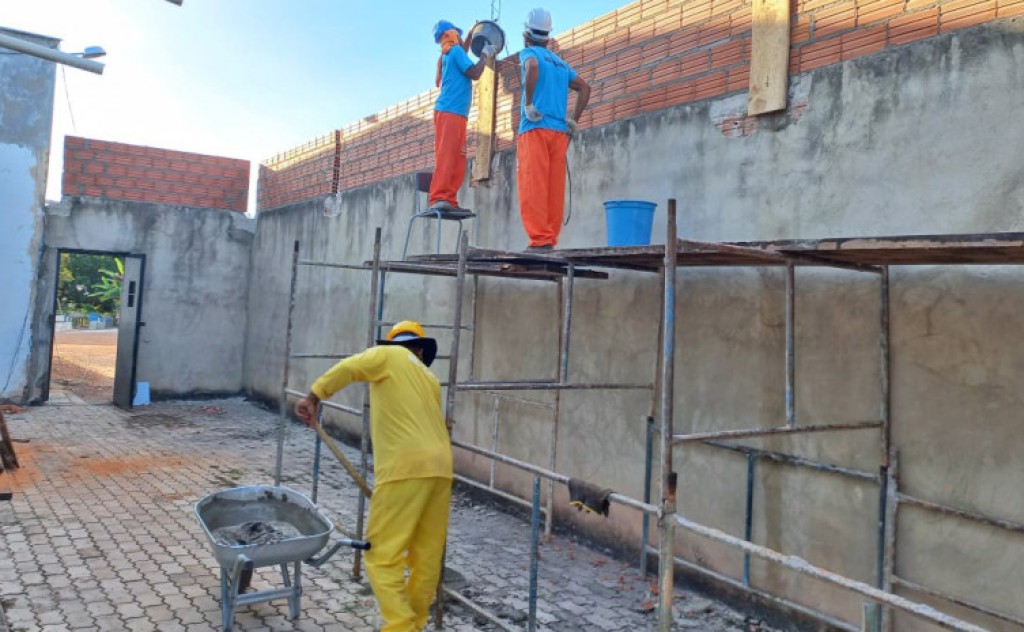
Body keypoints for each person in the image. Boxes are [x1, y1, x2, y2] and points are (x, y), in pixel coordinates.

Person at [294, 320, 452, 632]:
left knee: (381, 555)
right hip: (441, 469)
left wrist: (313, 396)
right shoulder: (430, 378)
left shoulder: (388, 355)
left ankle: (402, 626)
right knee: (426, 557)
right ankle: (415, 624)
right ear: (420, 349)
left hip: (404, 468)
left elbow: (350, 367)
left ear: (396, 344)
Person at [516, 7, 590, 252]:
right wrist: (573, 120)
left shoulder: (528, 52)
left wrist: (528, 104)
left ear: (526, 34)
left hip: (535, 127)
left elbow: (533, 67)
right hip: (559, 133)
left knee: (533, 183)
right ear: (548, 37)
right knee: (553, 188)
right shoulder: (561, 64)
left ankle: (539, 240)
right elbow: (584, 88)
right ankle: (549, 240)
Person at [429, 20, 497, 212]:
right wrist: (485, 55)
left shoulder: (450, 53)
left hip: (455, 113)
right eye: (458, 34)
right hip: (450, 112)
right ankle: (439, 197)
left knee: (457, 158)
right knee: (447, 156)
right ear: (450, 34)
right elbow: (475, 73)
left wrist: (469, 35)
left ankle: (449, 199)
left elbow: (463, 53)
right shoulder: (454, 52)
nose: (459, 37)